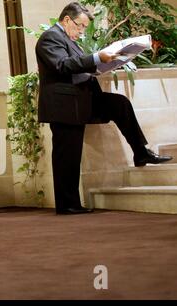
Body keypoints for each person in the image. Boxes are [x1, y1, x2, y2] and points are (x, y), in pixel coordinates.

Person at [35, 2, 172, 215]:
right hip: (64, 105)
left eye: (84, 28)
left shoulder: (68, 39)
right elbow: (62, 65)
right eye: (79, 26)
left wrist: (108, 64)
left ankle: (141, 153)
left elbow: (79, 65)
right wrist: (98, 57)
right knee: (67, 157)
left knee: (120, 104)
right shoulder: (50, 37)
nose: (81, 31)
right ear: (67, 20)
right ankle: (68, 205)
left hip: (82, 99)